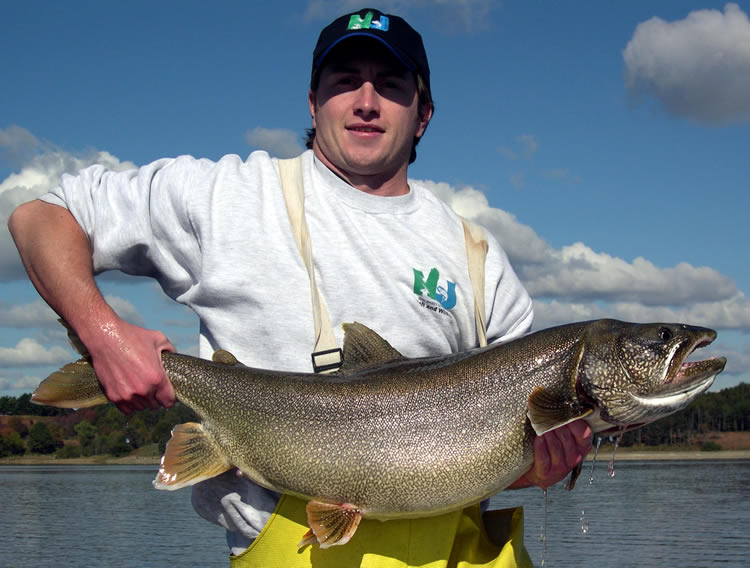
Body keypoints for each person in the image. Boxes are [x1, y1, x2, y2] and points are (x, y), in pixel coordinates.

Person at [9, 7, 591, 567]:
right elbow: (43, 216)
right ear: (313, 103)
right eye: (345, 81)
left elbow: (486, 461)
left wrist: (538, 467)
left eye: (390, 84)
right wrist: (104, 334)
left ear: (425, 112)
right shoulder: (225, 197)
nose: (366, 102)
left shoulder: (479, 258)